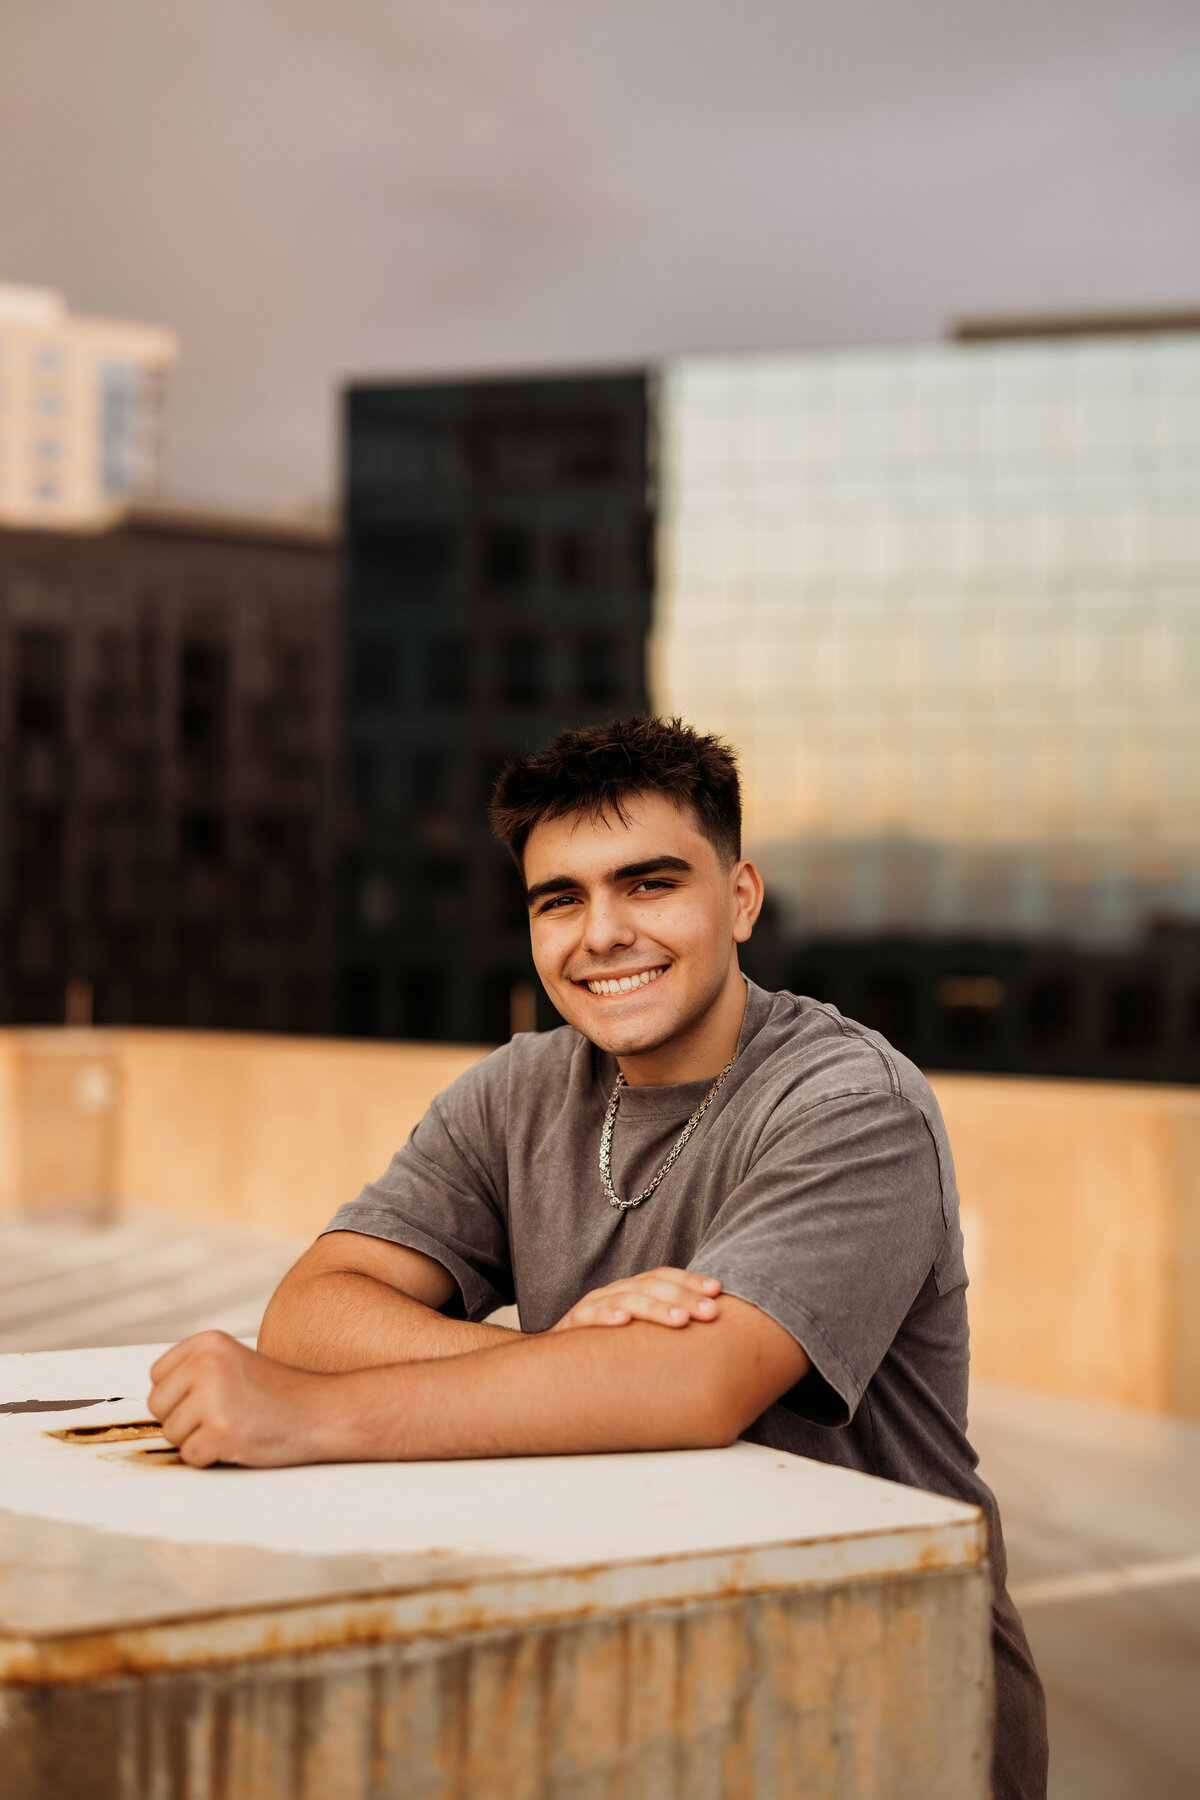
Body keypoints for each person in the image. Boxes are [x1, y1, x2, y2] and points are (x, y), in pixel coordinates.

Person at [148, 714, 1047, 1798]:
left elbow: (694, 1385)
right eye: (559, 899)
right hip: (645, 1685)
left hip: (881, 1694)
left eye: (649, 884)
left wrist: (307, 1415)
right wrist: (565, 1356)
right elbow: (314, 1307)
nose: (602, 933)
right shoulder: (515, 1091)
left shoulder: (851, 1104)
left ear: (742, 898)